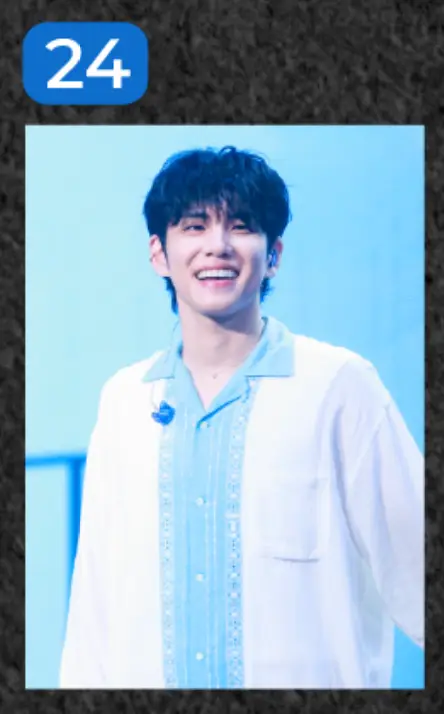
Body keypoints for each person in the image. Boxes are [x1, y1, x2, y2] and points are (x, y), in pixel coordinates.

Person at [60, 146, 424, 689]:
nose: (218, 245)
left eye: (241, 226)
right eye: (194, 226)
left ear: (273, 254)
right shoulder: (125, 400)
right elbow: (95, 608)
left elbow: (417, 561)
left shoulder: (338, 385)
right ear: (159, 254)